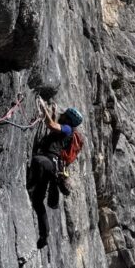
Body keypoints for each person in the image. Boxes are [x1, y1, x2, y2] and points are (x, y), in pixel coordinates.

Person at [30, 100, 84, 249]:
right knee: (37, 201)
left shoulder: (67, 129)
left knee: (37, 161)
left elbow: (52, 125)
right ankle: (44, 235)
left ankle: (30, 185)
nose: (62, 115)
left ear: (68, 119)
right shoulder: (66, 130)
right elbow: (54, 127)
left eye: (64, 114)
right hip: (52, 166)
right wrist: (52, 113)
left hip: (47, 161)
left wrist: (43, 109)